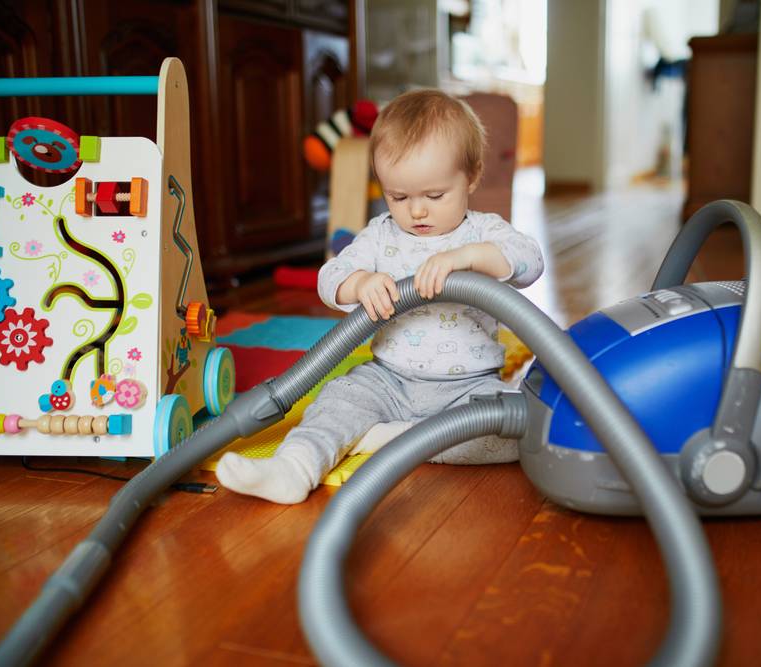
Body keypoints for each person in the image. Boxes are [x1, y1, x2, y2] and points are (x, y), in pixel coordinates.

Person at [216, 89, 544, 504]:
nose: (417, 211)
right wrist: (359, 284)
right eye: (398, 197)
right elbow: (329, 277)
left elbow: (530, 261)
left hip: (468, 387)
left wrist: (471, 258)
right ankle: (293, 469)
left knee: (512, 433)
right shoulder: (380, 235)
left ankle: (392, 438)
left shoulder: (483, 231)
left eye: (435, 196)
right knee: (336, 402)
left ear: (472, 176)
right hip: (389, 380)